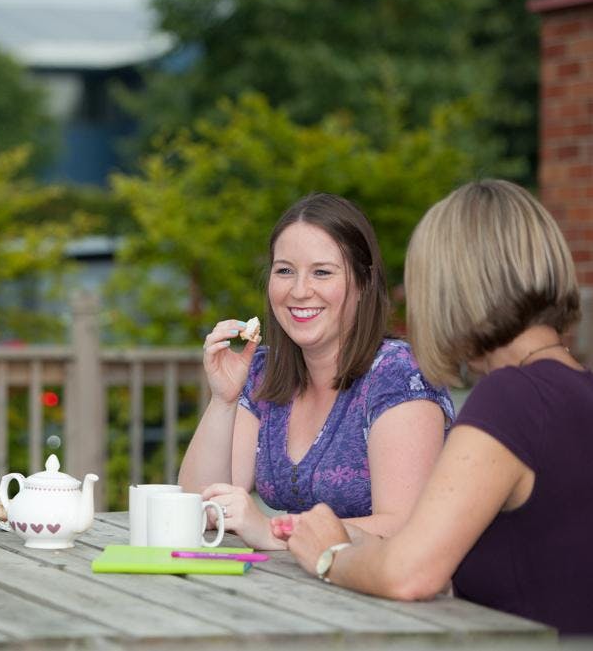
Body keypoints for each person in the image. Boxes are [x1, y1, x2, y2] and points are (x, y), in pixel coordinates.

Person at [279, 179, 593, 635]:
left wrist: (331, 556)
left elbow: (410, 573)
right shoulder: (576, 390)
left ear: (452, 290)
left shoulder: (511, 397)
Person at [178, 193, 453, 549]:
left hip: (385, 596)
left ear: (363, 282)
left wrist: (275, 533)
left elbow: (405, 525)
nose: (299, 290)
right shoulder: (263, 371)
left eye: (321, 272)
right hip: (296, 590)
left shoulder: (399, 376)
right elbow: (199, 507)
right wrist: (223, 400)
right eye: (285, 271)